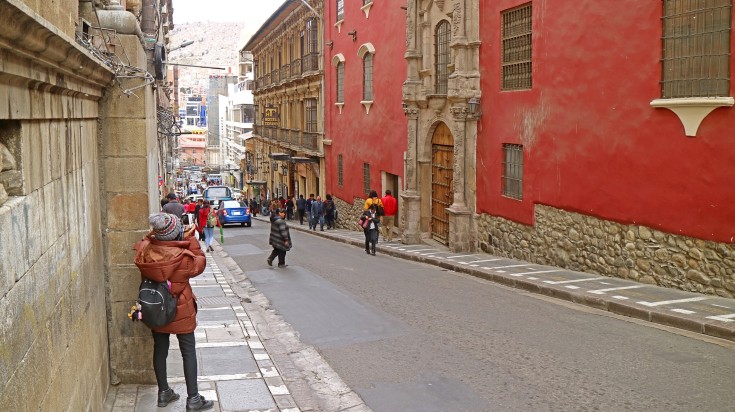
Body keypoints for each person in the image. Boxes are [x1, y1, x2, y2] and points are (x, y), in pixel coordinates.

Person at [132, 213, 214, 411]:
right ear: (176, 234)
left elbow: (146, 239)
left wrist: (157, 234)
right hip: (180, 309)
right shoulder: (183, 257)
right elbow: (200, 263)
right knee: (188, 351)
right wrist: (191, 239)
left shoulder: (146, 250)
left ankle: (163, 392)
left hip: (156, 309)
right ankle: (193, 398)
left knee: (160, 349)